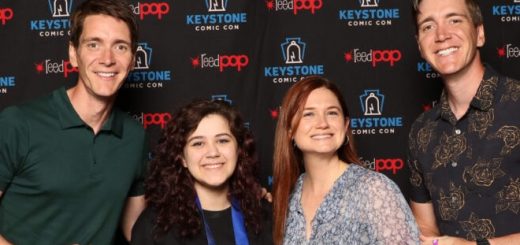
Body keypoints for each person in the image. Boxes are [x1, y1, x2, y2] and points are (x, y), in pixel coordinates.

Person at [0, 0, 146, 243]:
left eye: (120, 47)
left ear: (132, 60)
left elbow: (138, 230)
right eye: (93, 45)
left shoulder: (134, 137)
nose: (107, 59)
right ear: (73, 54)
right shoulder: (18, 124)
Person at [407, 0, 520, 244]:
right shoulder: (422, 131)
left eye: (454, 20)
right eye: (428, 26)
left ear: (479, 34)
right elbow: (424, 227)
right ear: (419, 45)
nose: (441, 35)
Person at [272, 76, 420, 245]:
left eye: (332, 113)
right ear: (290, 130)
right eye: (309, 114)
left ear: (345, 125)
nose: (322, 123)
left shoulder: (373, 189)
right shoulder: (288, 196)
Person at [131, 99, 272, 245]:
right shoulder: (155, 225)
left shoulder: (267, 217)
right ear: (182, 158)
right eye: (198, 143)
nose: (213, 152)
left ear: (239, 150)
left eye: (222, 140)